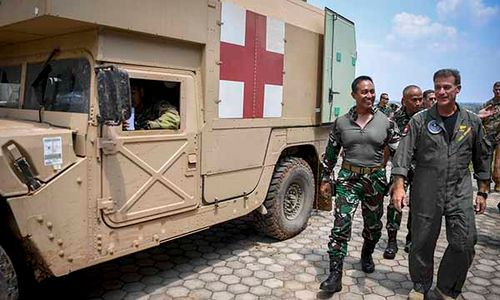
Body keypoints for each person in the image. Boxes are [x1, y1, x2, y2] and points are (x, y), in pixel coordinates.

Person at [391, 69, 491, 300]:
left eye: (447, 87)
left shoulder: (472, 121)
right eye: (437, 87)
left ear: (458, 89)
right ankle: (420, 285)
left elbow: (481, 157)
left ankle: (446, 289)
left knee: (465, 241)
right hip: (426, 189)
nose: (441, 91)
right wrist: (398, 185)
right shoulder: (420, 120)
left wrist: (483, 191)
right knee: (422, 241)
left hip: (459, 189)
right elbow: (403, 155)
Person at [319, 76, 400, 293]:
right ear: (353, 94)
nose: (370, 96)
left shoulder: (387, 122)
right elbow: (331, 153)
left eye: (372, 91)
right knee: (340, 226)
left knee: (373, 227)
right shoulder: (342, 122)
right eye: (364, 92)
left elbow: (398, 155)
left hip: (375, 181)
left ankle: (366, 253)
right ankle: (335, 275)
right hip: (348, 179)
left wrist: (397, 182)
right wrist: (325, 178)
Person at [384, 85, 423, 259]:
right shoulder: (393, 120)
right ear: (403, 100)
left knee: (417, 205)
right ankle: (392, 241)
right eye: (414, 99)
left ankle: (411, 239)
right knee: (395, 204)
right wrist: (382, 169)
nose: (418, 102)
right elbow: (387, 146)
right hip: (400, 170)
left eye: (420, 99)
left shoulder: (426, 119)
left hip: (421, 169)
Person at [478, 81, 500, 193]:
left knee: (498, 164)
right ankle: (486, 184)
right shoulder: (487, 104)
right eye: (496, 89)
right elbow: (480, 118)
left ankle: (498, 182)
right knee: (486, 162)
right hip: (487, 136)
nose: (498, 91)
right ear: (493, 90)